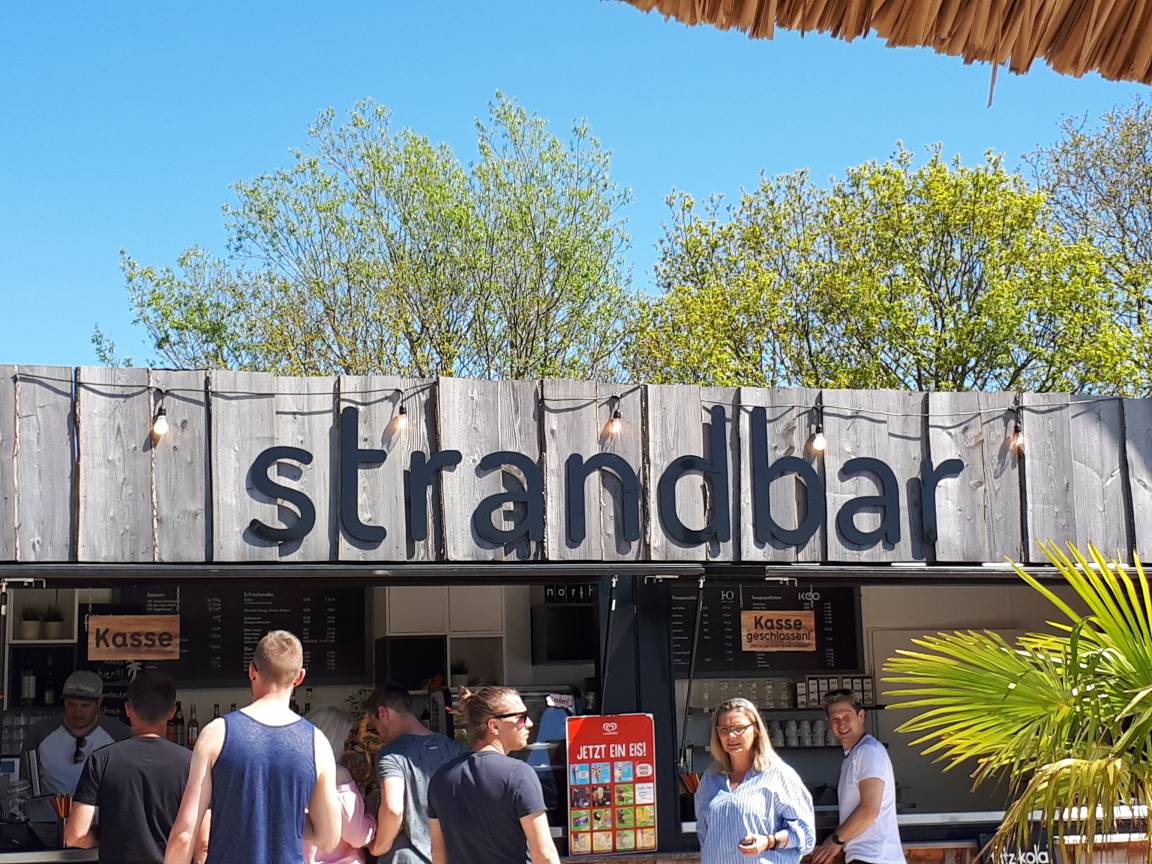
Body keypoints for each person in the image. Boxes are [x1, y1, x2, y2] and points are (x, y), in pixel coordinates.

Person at [164, 630, 342, 864]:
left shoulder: (216, 734)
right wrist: (287, 818)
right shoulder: (317, 743)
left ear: (251, 671)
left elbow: (184, 834)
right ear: (299, 677)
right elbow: (329, 838)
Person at [64, 670, 192, 864]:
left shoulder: (101, 760)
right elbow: (203, 841)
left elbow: (75, 834)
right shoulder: (190, 763)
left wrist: (105, 839)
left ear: (128, 709)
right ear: (172, 712)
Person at [427, 686, 559, 864]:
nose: (529, 723)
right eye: (521, 717)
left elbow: (438, 855)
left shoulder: (441, 778)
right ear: (494, 726)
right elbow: (544, 855)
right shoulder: (519, 774)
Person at [694, 697, 815, 863]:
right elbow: (704, 834)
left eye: (739, 728)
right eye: (724, 729)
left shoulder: (778, 775)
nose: (731, 735)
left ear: (756, 730)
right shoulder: (710, 778)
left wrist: (769, 841)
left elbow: (806, 835)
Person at [364, 685, 466, 863]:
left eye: (375, 726)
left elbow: (393, 809)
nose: (379, 735)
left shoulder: (391, 755)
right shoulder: (455, 748)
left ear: (383, 713)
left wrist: (380, 846)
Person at [811, 690, 905, 864]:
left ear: (861, 716)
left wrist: (836, 839)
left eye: (847, 716)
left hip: (875, 857)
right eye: (835, 719)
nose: (841, 723)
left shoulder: (868, 751)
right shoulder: (854, 754)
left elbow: (869, 810)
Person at [22, 671, 130, 808]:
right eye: (71, 704)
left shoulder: (119, 734)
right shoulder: (39, 732)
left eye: (85, 706)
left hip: (100, 817)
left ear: (99, 702)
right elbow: (24, 784)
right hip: (47, 816)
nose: (77, 712)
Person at [304, 707, 376, 864]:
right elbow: (357, 834)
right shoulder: (337, 775)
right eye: (348, 742)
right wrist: (373, 822)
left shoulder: (291, 773)